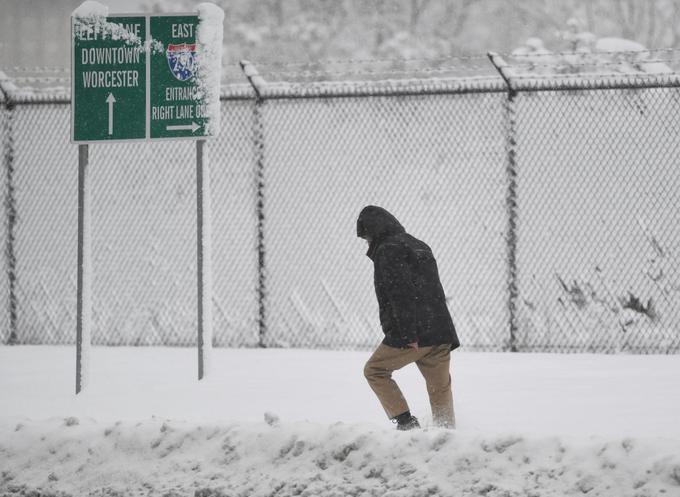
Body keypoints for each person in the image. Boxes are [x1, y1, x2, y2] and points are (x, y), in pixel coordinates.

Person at [356, 205, 460, 430]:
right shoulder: (419, 244)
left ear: (374, 232)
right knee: (439, 388)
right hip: (441, 330)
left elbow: (401, 293)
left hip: (416, 333)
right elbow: (432, 291)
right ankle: (447, 437)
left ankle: (406, 423)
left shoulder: (388, 249)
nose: (367, 244)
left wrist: (409, 334)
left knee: (374, 370)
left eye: (367, 238)